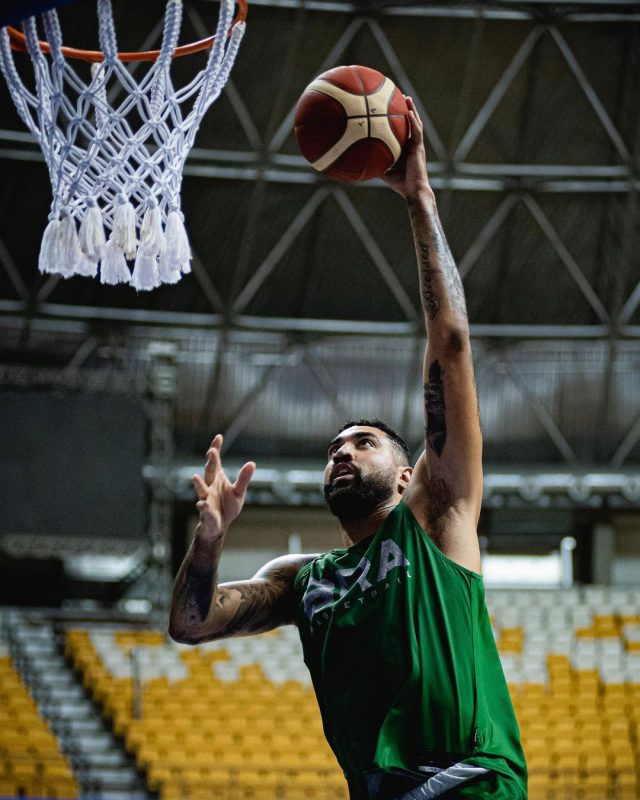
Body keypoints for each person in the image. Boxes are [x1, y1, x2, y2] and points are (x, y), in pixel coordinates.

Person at [169, 98, 527, 799]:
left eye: (364, 443)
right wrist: (207, 542)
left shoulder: (437, 517)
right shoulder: (301, 577)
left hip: (470, 783)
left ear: (404, 476)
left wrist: (419, 195)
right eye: (334, 446)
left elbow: (450, 345)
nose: (341, 451)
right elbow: (189, 624)